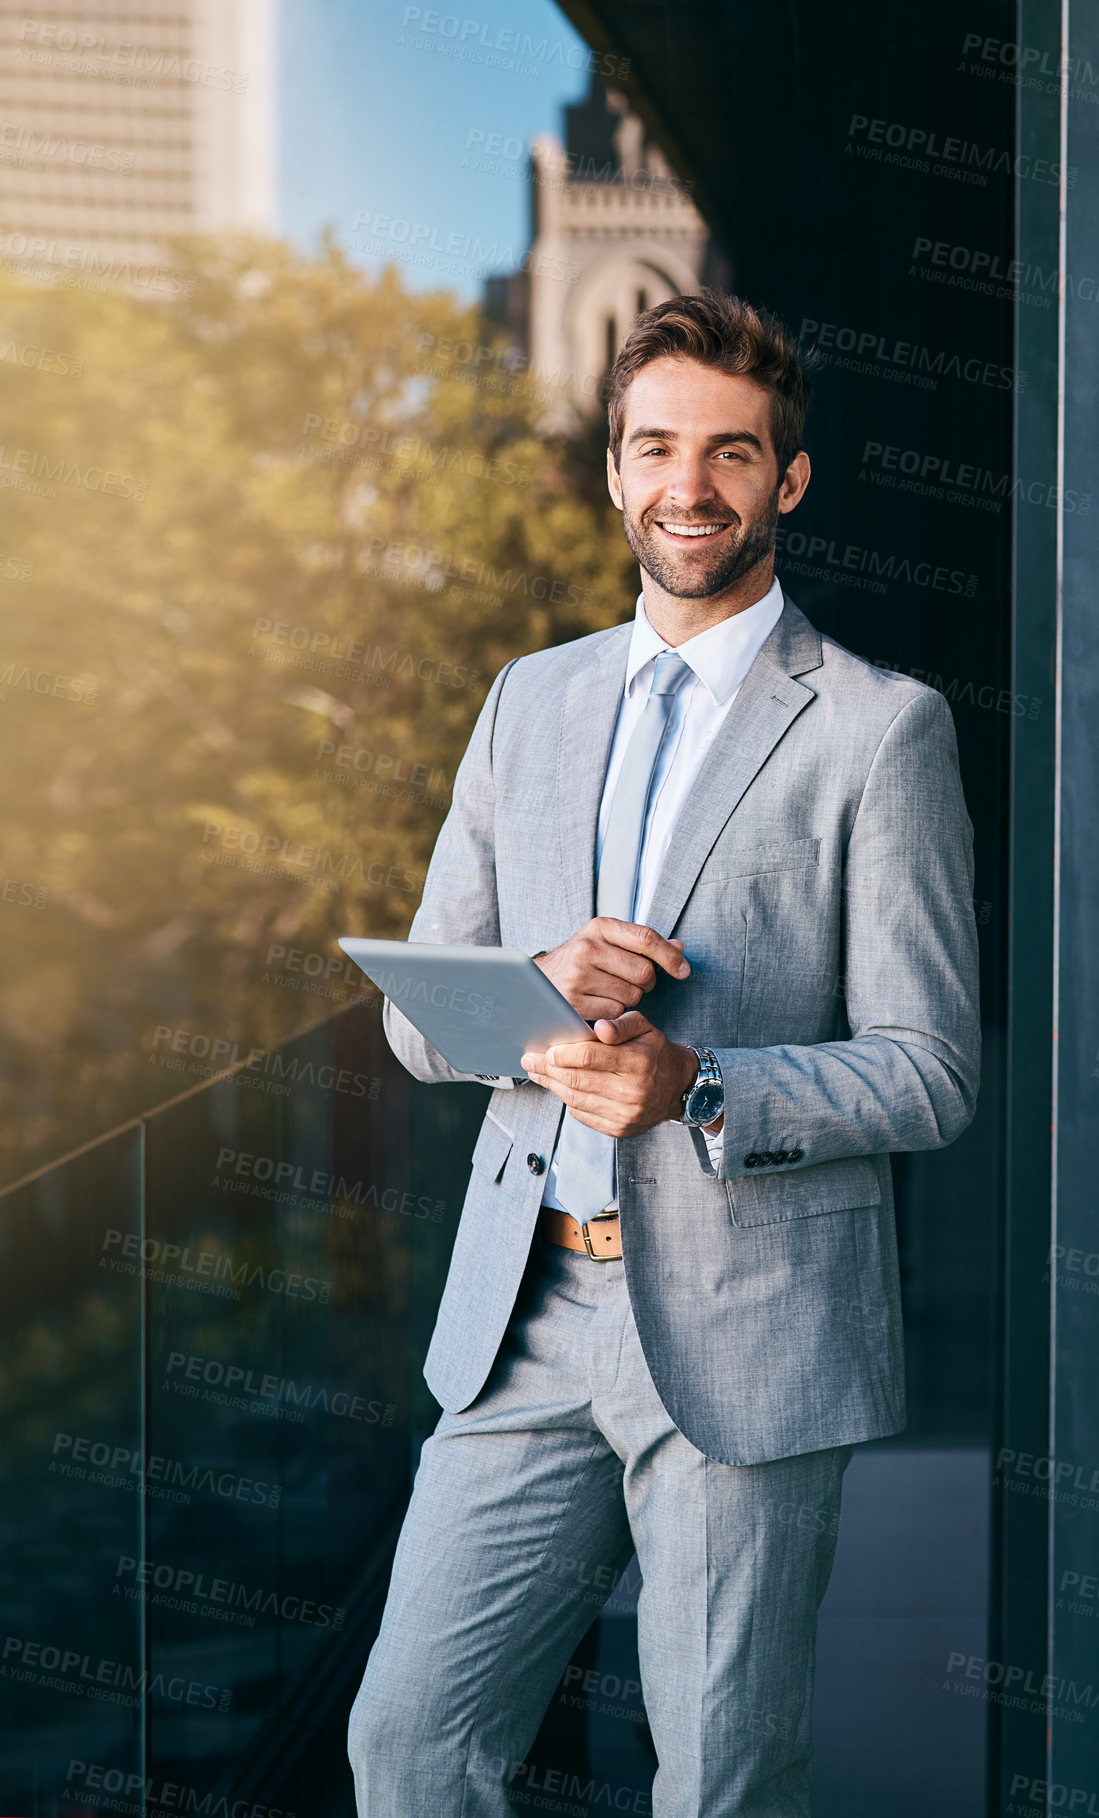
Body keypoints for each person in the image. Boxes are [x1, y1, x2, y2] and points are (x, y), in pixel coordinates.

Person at [347, 289, 980, 1817]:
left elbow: (934, 1065)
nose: (690, 485)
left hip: (752, 1324)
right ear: (616, 473)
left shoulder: (882, 730)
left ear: (790, 479)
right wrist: (536, 983)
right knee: (410, 1745)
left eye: (731, 453)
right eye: (656, 448)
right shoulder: (529, 699)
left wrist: (700, 1086)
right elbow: (415, 1017)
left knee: (721, 1781)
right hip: (526, 1313)